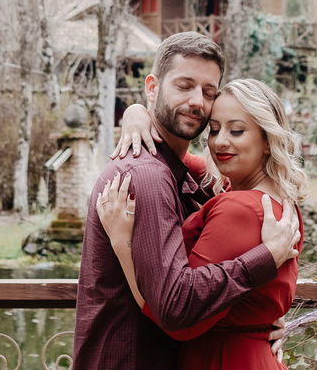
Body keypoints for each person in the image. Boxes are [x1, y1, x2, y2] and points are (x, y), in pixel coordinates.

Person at [72, 33, 301, 370]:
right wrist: (135, 113)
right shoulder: (148, 175)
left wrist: (259, 323)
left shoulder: (198, 181)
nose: (198, 102)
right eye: (184, 85)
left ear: (268, 139)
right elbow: (175, 307)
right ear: (152, 87)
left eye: (209, 92)